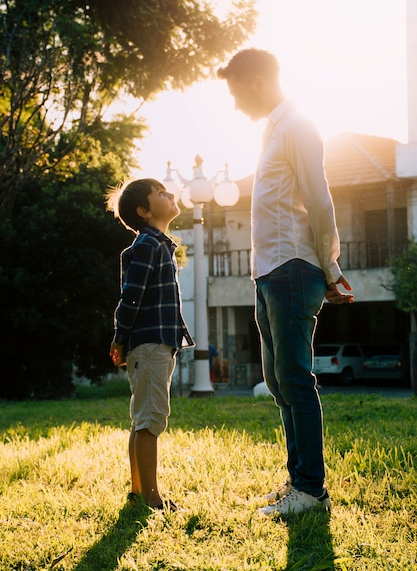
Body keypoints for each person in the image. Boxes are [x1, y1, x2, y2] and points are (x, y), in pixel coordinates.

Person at [217, 48, 354, 517]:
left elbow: (320, 203)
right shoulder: (272, 132)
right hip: (270, 271)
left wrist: (330, 266)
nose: (235, 104)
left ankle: (310, 491)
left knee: (294, 378)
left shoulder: (297, 127)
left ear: (255, 81)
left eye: (236, 92)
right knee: (277, 381)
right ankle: (298, 480)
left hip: (294, 268)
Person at [108, 178, 194, 512]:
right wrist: (120, 337)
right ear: (144, 211)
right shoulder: (147, 245)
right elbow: (130, 298)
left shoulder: (158, 245)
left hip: (154, 344)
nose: (170, 194)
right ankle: (152, 497)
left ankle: (137, 492)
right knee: (150, 421)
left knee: (142, 419)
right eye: (161, 193)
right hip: (149, 345)